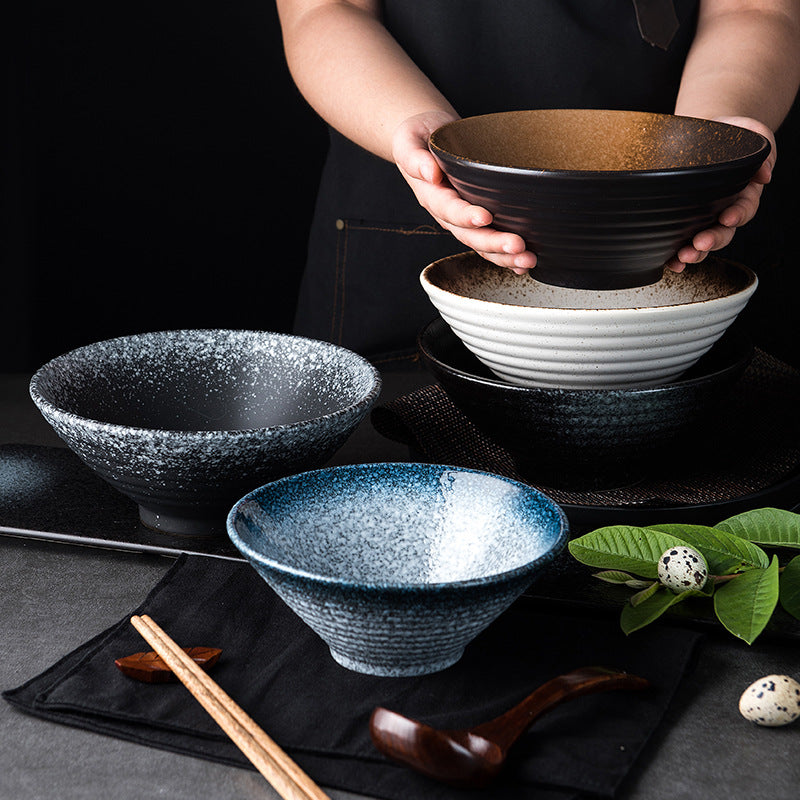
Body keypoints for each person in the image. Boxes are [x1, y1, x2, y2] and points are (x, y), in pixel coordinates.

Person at [276, 0, 800, 366]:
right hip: (401, 231)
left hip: (688, 231)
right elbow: (327, 8)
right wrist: (421, 134)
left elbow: (751, 10)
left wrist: (717, 139)